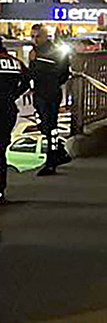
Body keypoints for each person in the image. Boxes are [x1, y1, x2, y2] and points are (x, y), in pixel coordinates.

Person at [28, 25, 72, 176]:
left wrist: (53, 84)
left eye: (37, 36)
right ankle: (59, 153)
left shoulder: (54, 51)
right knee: (43, 126)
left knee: (50, 128)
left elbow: (64, 72)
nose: (34, 39)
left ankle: (51, 161)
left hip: (50, 93)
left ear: (46, 36)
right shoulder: (34, 52)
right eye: (32, 36)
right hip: (39, 93)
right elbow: (32, 73)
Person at [0, 41, 30, 202]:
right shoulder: (15, 62)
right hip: (8, 110)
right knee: (1, 151)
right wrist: (13, 95)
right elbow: (27, 80)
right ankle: (0, 191)